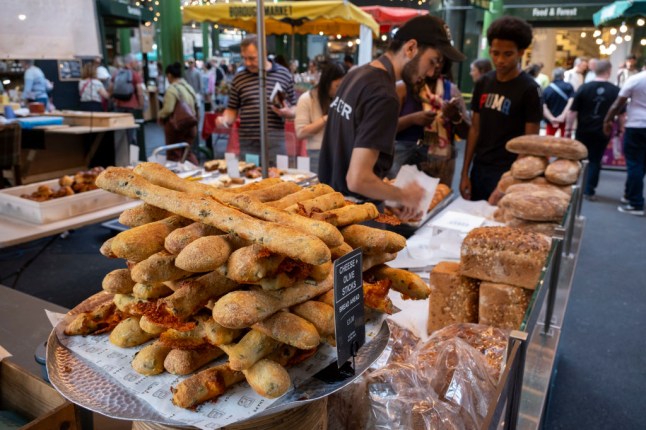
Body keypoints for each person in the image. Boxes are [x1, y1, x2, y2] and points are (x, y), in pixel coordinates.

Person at [318, 15, 466, 220]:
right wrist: (404, 195)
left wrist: (385, 197)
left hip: (328, 205)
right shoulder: (384, 95)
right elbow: (358, 179)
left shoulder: (357, 74)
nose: (431, 72)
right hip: (356, 218)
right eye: (431, 62)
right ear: (411, 48)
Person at [460, 16, 542, 202]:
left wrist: (510, 181)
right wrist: (464, 172)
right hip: (479, 168)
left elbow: (530, 142)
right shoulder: (483, 82)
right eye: (495, 53)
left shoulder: (531, 89)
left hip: (509, 171)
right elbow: (475, 129)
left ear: (521, 52)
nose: (499, 60)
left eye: (507, 54)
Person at [216, 35, 296, 165]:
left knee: (279, 179)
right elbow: (232, 109)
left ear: (264, 52)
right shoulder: (239, 78)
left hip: (276, 142)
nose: (247, 63)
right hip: (248, 143)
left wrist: (288, 112)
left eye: (252, 58)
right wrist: (224, 120)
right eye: (244, 58)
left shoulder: (283, 74)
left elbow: (294, 107)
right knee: (250, 179)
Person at [391, 58, 470, 186]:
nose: (437, 65)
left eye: (441, 61)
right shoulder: (403, 88)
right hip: (403, 163)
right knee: (398, 204)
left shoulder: (452, 91)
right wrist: (413, 119)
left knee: (437, 202)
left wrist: (455, 117)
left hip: (440, 166)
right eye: (432, 60)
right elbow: (385, 129)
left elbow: (467, 133)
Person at [566, 60, 619, 201]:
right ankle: (589, 190)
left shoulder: (584, 88)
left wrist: (568, 129)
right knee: (595, 160)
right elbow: (621, 114)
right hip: (603, 131)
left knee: (578, 159)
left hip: (583, 129)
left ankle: (571, 187)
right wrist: (620, 130)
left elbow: (572, 111)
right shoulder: (614, 90)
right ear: (609, 71)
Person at [603, 70, 646, 216]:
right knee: (641, 165)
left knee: (635, 164)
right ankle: (630, 195)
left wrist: (607, 120)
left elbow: (618, 103)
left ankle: (636, 203)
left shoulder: (636, 79)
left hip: (637, 125)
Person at [294, 61, 346, 174]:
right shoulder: (307, 99)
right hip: (317, 152)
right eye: (337, 86)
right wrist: (326, 118)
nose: (340, 90)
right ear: (327, 82)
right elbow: (300, 132)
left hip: (341, 152)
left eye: (343, 86)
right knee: (319, 188)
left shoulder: (341, 99)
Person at [158, 62, 199, 164]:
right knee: (187, 153)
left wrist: (159, 115)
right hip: (191, 126)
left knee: (174, 155)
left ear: (169, 75)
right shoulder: (188, 87)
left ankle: (177, 178)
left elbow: (168, 109)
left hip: (178, 128)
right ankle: (196, 175)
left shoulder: (172, 89)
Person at [109, 53, 144, 146]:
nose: (137, 63)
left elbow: (110, 89)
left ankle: (121, 158)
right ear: (131, 63)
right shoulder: (134, 74)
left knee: (120, 133)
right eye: (136, 62)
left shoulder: (116, 73)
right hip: (131, 107)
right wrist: (141, 105)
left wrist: (112, 99)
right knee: (132, 134)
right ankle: (133, 158)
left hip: (118, 106)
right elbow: (140, 92)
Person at [542, 67, 574, 137]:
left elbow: (544, 106)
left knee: (548, 141)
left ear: (553, 76)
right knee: (565, 142)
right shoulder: (569, 86)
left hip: (551, 121)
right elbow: (571, 101)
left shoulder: (547, 89)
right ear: (563, 76)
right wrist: (563, 116)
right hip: (565, 120)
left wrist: (551, 118)